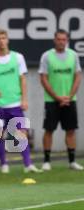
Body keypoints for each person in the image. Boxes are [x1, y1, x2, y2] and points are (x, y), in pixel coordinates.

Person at [0, 29, 41, 174]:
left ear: (7, 40)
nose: (1, 41)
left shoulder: (18, 58)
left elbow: (23, 80)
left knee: (21, 134)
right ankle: (4, 164)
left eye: (3, 38)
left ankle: (28, 164)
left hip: (15, 105)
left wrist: (24, 99)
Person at [38, 29, 83, 171]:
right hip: (51, 101)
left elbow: (77, 76)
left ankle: (72, 162)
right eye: (59, 39)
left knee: (70, 130)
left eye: (64, 39)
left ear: (67, 40)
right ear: (54, 40)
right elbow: (43, 79)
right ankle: (46, 161)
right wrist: (57, 97)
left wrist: (69, 96)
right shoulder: (46, 56)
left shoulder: (73, 55)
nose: (61, 42)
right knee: (49, 130)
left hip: (69, 100)